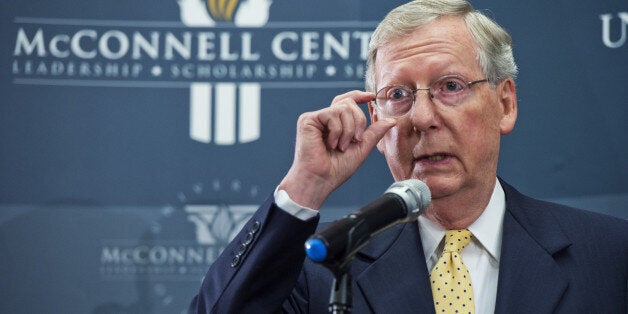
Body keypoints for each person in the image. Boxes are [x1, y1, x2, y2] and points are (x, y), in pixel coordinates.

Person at [189, 0, 628, 313]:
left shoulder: (610, 255)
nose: (421, 117)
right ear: (375, 121)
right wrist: (305, 185)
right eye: (398, 95)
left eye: (451, 87)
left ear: (505, 104)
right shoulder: (320, 264)